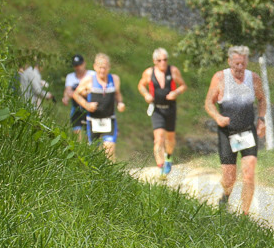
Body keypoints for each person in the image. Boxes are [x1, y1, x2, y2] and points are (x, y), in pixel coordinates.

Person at [204, 45, 267, 215]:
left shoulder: (253, 78)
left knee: (249, 172)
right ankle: (225, 196)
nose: (240, 68)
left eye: (243, 64)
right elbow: (209, 102)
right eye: (236, 64)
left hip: (246, 131)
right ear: (229, 62)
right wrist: (217, 117)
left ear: (247, 62)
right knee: (229, 178)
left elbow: (261, 100)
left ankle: (244, 215)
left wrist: (261, 120)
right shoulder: (220, 78)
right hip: (227, 132)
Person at [138, 48, 188, 178]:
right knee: (158, 138)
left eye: (165, 60)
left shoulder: (173, 71)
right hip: (157, 109)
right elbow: (141, 85)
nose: (163, 63)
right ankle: (161, 166)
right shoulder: (149, 73)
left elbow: (183, 85)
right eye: (159, 60)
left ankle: (169, 157)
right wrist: (146, 95)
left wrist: (176, 92)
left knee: (170, 138)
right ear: (154, 61)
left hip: (170, 108)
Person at [72, 53, 126, 160]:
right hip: (93, 120)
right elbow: (75, 94)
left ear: (109, 67)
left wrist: (120, 103)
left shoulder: (114, 79)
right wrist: (87, 105)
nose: (102, 70)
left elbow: (117, 94)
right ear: (95, 67)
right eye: (100, 67)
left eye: (105, 67)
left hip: (109, 119)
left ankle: (111, 175)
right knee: (93, 152)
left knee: (109, 150)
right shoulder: (89, 80)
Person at [63, 54, 91, 139]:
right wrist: (66, 98)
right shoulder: (70, 77)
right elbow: (68, 90)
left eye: (80, 65)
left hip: (89, 109)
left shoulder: (91, 75)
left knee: (89, 138)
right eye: (76, 65)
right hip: (76, 109)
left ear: (84, 63)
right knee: (76, 136)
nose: (78, 67)